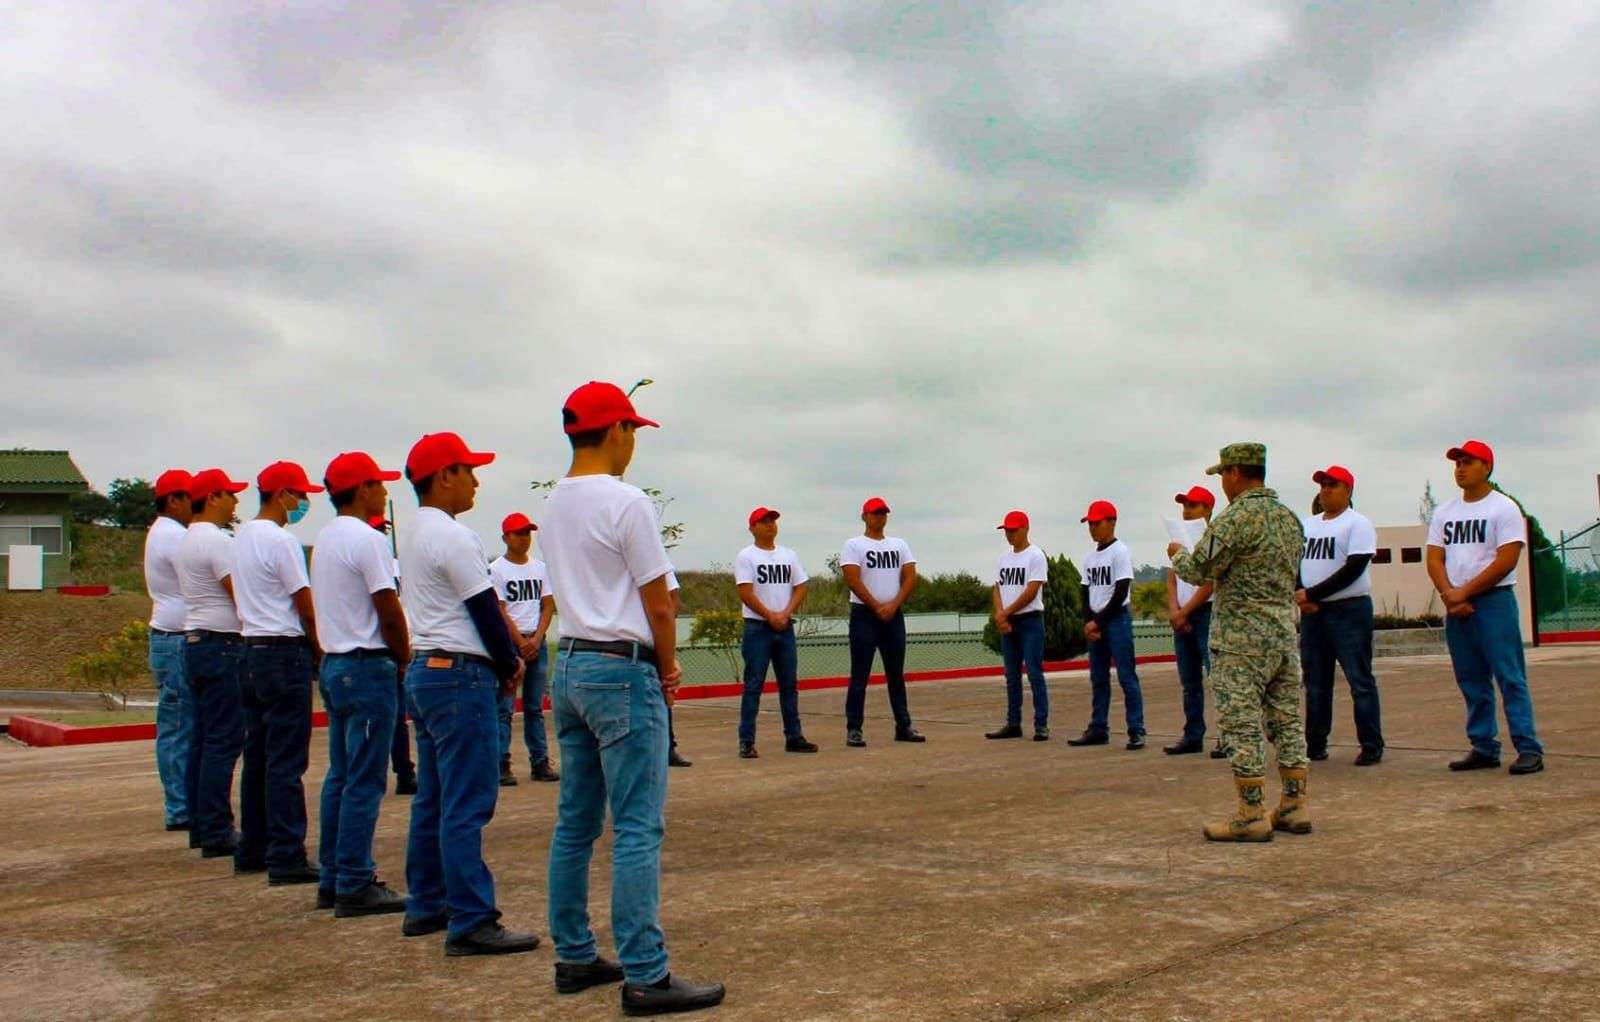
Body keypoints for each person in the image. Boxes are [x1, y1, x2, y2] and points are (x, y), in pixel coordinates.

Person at [542, 380, 725, 1015]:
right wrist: (668, 667)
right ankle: (646, 972)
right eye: (633, 431)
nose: (634, 443)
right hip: (622, 669)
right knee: (638, 825)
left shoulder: (553, 504)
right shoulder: (627, 502)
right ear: (617, 430)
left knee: (576, 822)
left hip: (570, 664)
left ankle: (574, 953)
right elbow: (659, 604)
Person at [398, 431, 539, 956]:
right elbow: (483, 608)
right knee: (466, 802)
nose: (475, 482)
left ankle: (426, 902)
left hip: (426, 668)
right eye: (468, 471)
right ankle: (472, 919)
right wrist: (509, 663)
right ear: (444, 477)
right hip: (460, 675)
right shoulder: (454, 535)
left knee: (434, 797)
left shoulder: (412, 531)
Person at [1169, 443, 1310, 842]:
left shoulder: (1235, 519)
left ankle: (1251, 813)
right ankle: (1294, 805)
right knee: (1287, 721)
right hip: (1282, 636)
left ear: (1234, 473)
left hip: (1240, 641)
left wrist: (1177, 553)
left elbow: (1200, 570)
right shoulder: (1289, 519)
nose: (1223, 484)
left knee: (1241, 723)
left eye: (1223, 475)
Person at [311, 452, 412, 916]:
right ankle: (355, 880)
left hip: (335, 663)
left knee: (341, 775)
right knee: (367, 780)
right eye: (379, 484)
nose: (384, 492)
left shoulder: (327, 539)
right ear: (363, 489)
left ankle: (333, 876)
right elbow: (387, 607)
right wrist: (403, 656)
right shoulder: (369, 541)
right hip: (367, 664)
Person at [1426, 439, 1544, 776]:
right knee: (1471, 679)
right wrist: (1449, 594)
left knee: (1510, 676)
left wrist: (1464, 592)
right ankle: (1483, 745)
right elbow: (1434, 557)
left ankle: (1528, 748)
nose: (1460, 468)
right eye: (1457, 463)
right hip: (1456, 604)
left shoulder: (1503, 508)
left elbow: (1506, 559)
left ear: (1487, 467)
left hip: (1494, 602)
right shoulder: (1445, 512)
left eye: (1468, 462)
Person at [231, 461, 322, 884]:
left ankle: (253, 846)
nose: (302, 503)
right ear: (282, 494)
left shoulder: (241, 537)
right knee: (287, 760)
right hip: (284, 651)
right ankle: (287, 854)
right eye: (299, 495)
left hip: (251, 648)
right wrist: (319, 650)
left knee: (257, 756)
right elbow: (304, 604)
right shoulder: (282, 541)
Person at [177, 467, 250, 858]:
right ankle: (218, 829)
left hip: (196, 641)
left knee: (202, 739)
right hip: (222, 643)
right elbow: (240, 593)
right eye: (230, 494)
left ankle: (200, 825)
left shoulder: (188, 539)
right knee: (224, 740)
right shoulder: (217, 541)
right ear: (213, 498)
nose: (235, 502)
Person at [1296, 465, 1384, 766]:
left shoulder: (1357, 524)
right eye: (1322, 485)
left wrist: (1312, 593)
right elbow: (1294, 563)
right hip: (1314, 614)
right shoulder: (1307, 525)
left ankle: (1371, 744)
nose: (1325, 490)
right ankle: (1315, 743)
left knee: (1359, 680)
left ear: (1348, 490)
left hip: (1349, 611)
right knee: (1316, 682)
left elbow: (1353, 568)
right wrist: (1301, 593)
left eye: (1332, 485)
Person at [840, 497, 925, 747]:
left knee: (896, 674)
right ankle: (854, 728)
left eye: (883, 513)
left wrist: (893, 604)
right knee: (860, 675)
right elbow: (853, 579)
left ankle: (903, 725)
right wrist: (877, 606)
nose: (880, 517)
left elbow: (910, 576)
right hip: (864, 615)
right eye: (875, 513)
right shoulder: (854, 545)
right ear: (864, 516)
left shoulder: (899, 545)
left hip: (893, 615)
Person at [733, 507, 815, 758]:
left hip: (784, 627)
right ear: (752, 528)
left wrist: (786, 612)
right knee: (754, 685)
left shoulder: (788, 555)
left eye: (773, 521)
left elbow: (801, 586)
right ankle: (746, 740)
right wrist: (770, 615)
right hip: (758, 628)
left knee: (789, 684)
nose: (770, 525)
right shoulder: (746, 556)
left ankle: (794, 736)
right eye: (764, 521)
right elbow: (745, 592)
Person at [1068, 501, 1146, 751]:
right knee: (1098, 677)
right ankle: (1098, 727)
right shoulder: (1090, 557)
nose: (1093, 528)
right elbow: (1084, 591)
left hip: (1116, 619)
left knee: (1126, 676)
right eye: (1090, 524)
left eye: (1097, 523)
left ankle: (1136, 729)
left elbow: (1121, 590)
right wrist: (1088, 621)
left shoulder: (1119, 552)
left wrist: (1097, 622)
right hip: (1096, 621)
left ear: (1112, 522)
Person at [490, 512, 560, 784]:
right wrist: (520, 641)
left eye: (527, 533)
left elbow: (548, 605)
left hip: (535, 641)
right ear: (505, 537)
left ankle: (540, 761)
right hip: (511, 643)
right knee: (505, 707)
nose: (524, 538)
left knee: (534, 707)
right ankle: (501, 763)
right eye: (518, 533)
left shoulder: (540, 568)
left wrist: (538, 637)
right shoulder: (497, 570)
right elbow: (500, 610)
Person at [145, 468, 195, 835]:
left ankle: (180, 803)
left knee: (175, 725)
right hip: (176, 638)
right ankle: (180, 806)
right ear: (174, 500)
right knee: (179, 728)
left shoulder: (160, 533)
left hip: (166, 635)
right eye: (191, 498)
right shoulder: (175, 537)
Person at [985, 510, 1050, 741]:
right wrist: (1000, 615)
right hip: (1009, 622)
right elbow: (997, 588)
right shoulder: (1003, 558)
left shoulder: (1035, 555)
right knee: (1011, 676)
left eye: (1013, 530)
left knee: (1034, 672)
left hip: (1030, 620)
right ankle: (1013, 723)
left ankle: (1041, 724)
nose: (1009, 534)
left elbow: (1031, 591)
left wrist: (1006, 612)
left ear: (1025, 529)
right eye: (1007, 531)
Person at [368, 514, 418, 796]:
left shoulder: (398, 566)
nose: (381, 534)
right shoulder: (369, 562)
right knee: (379, 718)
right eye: (376, 529)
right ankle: (377, 774)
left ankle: (404, 771)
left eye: (383, 530)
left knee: (398, 717)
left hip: (401, 645)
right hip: (378, 646)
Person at [1164, 486, 1216, 756]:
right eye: (1185, 506)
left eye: (1193, 506)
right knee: (1189, 681)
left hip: (1206, 612)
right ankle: (1193, 734)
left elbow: (1210, 582)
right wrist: (1175, 610)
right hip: (1183, 613)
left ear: (1208, 509)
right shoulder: (1178, 539)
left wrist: (1184, 612)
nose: (1187, 511)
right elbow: (1172, 577)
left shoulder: (1213, 538)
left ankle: (1228, 735)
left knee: (1217, 677)